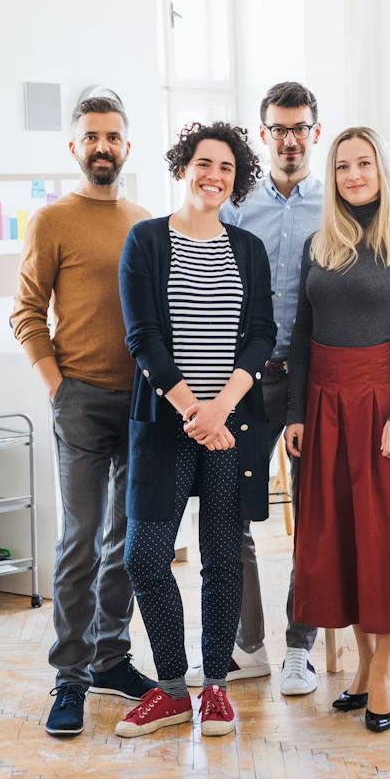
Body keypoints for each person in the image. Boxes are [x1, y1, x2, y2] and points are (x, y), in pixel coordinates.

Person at [285, 127, 390, 733]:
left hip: (384, 403)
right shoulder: (317, 244)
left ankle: (381, 674)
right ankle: (361, 667)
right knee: (344, 544)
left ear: (382, 169)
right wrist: (296, 413)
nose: (353, 175)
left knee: (383, 544)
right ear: (331, 178)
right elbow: (303, 338)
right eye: (342, 166)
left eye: (364, 163)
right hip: (325, 405)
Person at [114, 122, 276, 740]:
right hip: (166, 423)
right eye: (205, 163)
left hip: (232, 427)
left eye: (228, 168)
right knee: (145, 558)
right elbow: (144, 338)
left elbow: (261, 335)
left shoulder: (249, 248)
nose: (215, 175)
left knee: (222, 558)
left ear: (238, 181)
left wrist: (220, 409)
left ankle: (213, 689)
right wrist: (193, 410)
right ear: (185, 167)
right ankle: (171, 686)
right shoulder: (147, 241)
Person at [12, 96, 155, 738]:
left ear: (128, 146)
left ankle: (111, 659)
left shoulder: (145, 222)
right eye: (92, 137)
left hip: (143, 404)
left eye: (114, 136)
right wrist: (56, 388)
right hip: (81, 400)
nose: (103, 146)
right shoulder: (52, 222)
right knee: (81, 539)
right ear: (76, 148)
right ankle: (68, 675)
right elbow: (25, 312)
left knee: (125, 539)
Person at [183, 82, 323, 697]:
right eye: (277, 129)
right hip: (244, 381)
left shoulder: (338, 203)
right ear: (262, 135)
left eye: (300, 128)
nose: (289, 140)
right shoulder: (235, 208)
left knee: (314, 519)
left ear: (315, 132)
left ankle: (300, 647)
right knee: (233, 514)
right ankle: (249, 644)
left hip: (315, 383)